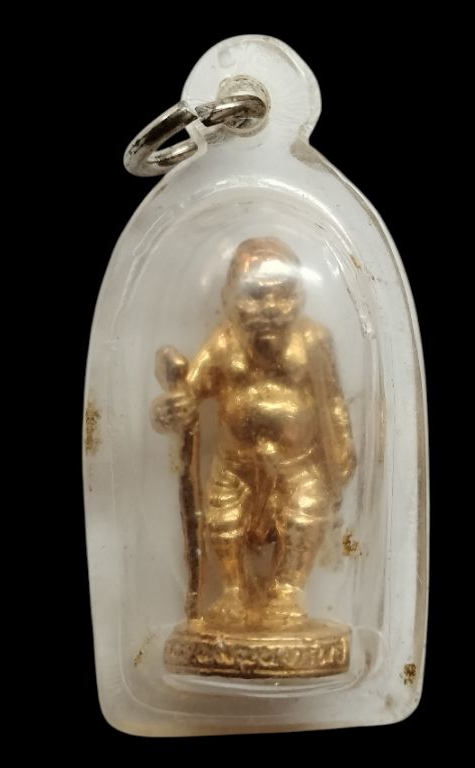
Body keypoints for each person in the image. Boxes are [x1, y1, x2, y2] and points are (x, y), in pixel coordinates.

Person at [151, 237, 355, 629]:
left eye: (284, 295)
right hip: (236, 465)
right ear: (228, 297)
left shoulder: (313, 340)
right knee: (222, 520)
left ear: (301, 296)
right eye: (255, 296)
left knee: (305, 516)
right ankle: (233, 591)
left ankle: (288, 590)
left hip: (299, 465)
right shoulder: (224, 342)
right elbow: (190, 393)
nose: (270, 309)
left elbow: (332, 400)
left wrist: (342, 450)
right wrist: (170, 411)